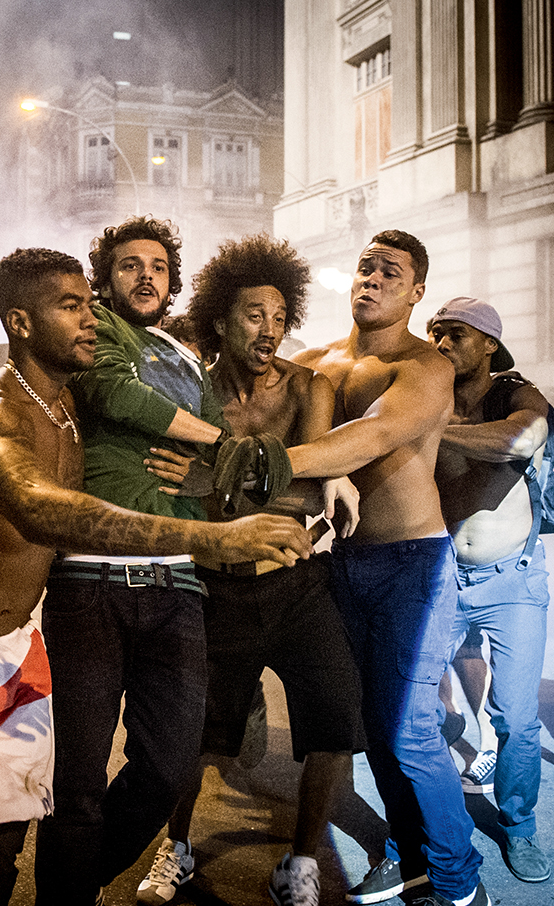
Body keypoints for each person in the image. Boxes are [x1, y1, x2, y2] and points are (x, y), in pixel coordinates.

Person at [0, 247, 312, 906]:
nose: (92, 320)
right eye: (71, 307)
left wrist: (220, 480)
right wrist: (215, 538)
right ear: (21, 322)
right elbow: (41, 509)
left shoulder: (76, 419)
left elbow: (163, 454)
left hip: (8, 667)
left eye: (90, 306)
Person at [34, 217, 263, 904]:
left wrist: (216, 468)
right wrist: (222, 444)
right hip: (90, 581)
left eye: (159, 267)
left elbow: (221, 470)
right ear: (104, 278)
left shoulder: (185, 356)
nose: (145, 276)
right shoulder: (96, 332)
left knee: (166, 771)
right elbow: (114, 395)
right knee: (76, 779)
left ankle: (73, 882)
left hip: (177, 586)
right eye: (129, 265)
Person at [137, 234, 366, 906]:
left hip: (298, 585)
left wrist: (213, 474)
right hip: (215, 588)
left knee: (335, 720)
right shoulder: (192, 390)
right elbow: (169, 486)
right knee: (194, 733)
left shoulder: (310, 387)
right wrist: (222, 487)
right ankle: (174, 846)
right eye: (252, 316)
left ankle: (300, 862)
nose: (269, 331)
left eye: (277, 316)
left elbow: (308, 482)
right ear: (219, 321)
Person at [284, 231, 487, 906]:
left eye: (390, 272)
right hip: (346, 565)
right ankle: (408, 852)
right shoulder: (316, 363)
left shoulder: (425, 367)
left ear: (416, 292)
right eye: (366, 267)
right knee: (374, 728)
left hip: (414, 567)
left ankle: (459, 875)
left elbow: (368, 437)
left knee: (408, 729)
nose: (372, 278)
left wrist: (272, 464)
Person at [428, 297, 553, 884]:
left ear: (489, 346)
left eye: (456, 334)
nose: (442, 343)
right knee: (409, 702)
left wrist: (439, 432)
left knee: (518, 718)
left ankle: (519, 827)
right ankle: (455, 743)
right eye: (436, 333)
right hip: (443, 575)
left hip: (513, 579)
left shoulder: (515, 392)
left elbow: (522, 441)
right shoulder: (426, 392)